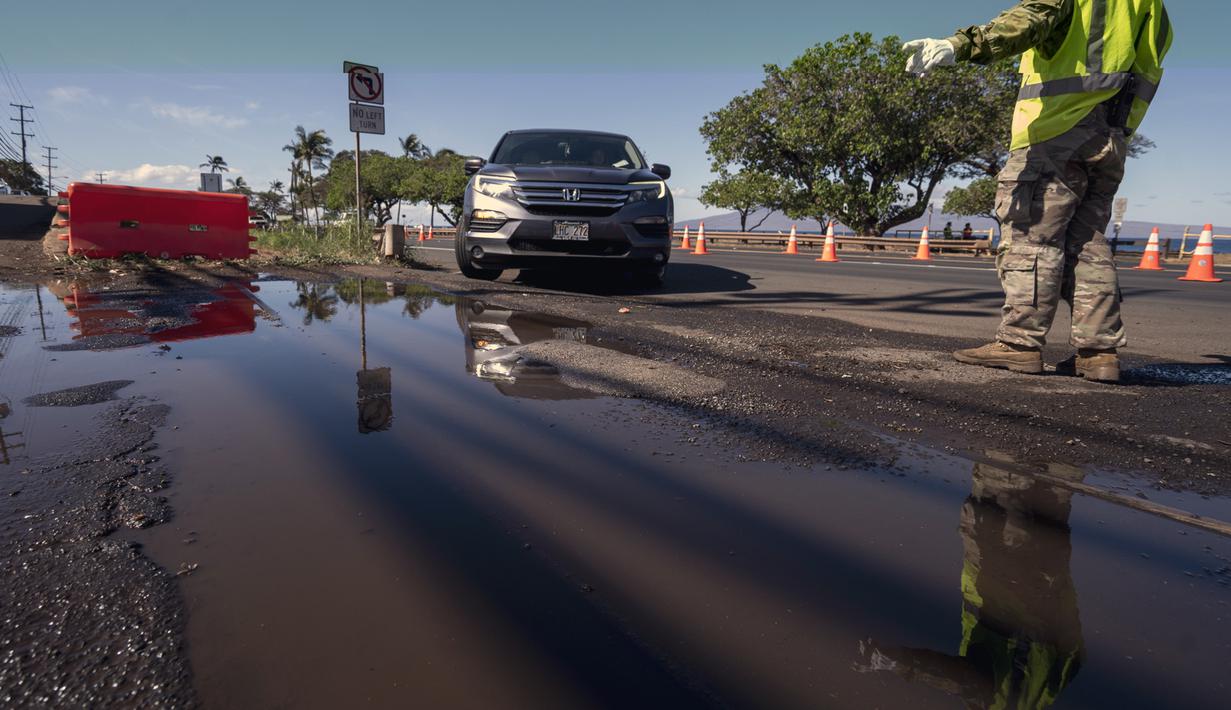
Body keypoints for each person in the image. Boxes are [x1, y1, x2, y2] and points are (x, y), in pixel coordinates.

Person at [903, 0, 1172, 384]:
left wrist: (959, 45)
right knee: (1089, 245)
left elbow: (1027, 21)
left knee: (1032, 238)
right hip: (1111, 136)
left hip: (1055, 130)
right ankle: (1098, 352)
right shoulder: (1150, 5)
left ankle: (1019, 343)